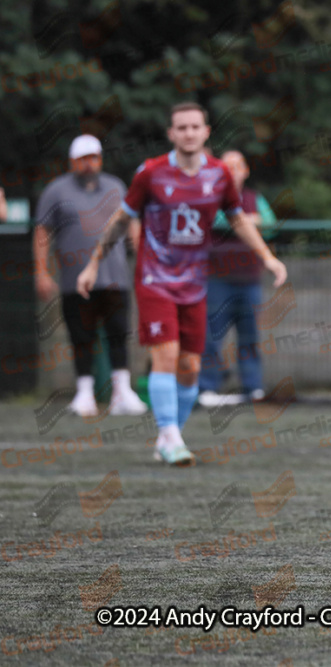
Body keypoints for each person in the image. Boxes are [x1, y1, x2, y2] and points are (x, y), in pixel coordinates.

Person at [76, 102, 287, 466]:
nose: (188, 133)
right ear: (171, 134)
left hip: (194, 284)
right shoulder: (151, 173)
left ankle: (167, 435)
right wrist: (93, 263)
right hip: (154, 280)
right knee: (166, 356)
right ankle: (172, 438)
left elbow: (238, 220)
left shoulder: (220, 175)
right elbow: (120, 220)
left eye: (195, 127)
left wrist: (268, 258)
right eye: (181, 127)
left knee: (190, 367)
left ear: (206, 132)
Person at [34, 134, 147, 417]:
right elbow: (42, 232)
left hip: (114, 277)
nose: (89, 164)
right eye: (83, 159)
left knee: (119, 332)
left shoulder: (115, 186)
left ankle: (122, 392)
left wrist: (142, 255)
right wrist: (42, 272)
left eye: (93, 157)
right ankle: (84, 393)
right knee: (80, 335)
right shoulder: (56, 190)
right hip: (75, 280)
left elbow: (131, 221)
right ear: (73, 161)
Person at [198, 150, 277, 406]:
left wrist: (250, 220)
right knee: (211, 335)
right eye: (226, 167)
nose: (232, 171)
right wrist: (245, 220)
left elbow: (270, 223)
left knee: (250, 336)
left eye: (237, 166)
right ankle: (207, 387)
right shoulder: (209, 196)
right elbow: (215, 219)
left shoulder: (255, 198)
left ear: (246, 171)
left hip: (250, 280)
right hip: (216, 280)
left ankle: (252, 387)